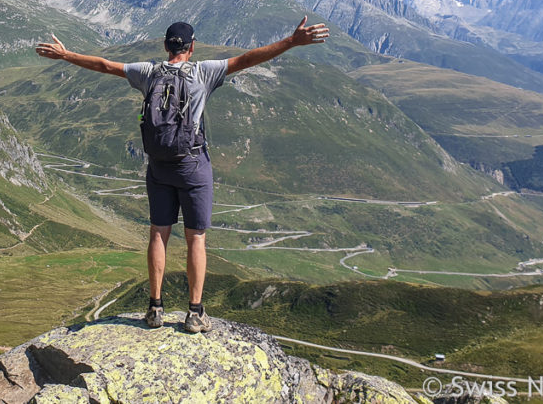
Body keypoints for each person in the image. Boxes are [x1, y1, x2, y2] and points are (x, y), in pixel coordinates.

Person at [35, 17, 329, 332]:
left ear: (165, 46)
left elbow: (105, 65)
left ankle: (155, 308)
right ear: (191, 47)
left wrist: (66, 55)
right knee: (195, 238)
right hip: (192, 166)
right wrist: (291, 41)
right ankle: (195, 312)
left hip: (159, 166)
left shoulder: (147, 73)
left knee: (158, 234)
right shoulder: (204, 72)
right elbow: (248, 59)